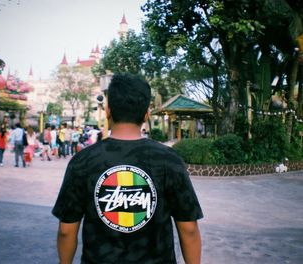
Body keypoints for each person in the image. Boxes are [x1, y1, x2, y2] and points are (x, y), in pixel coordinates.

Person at [52, 74, 203, 264]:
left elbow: (66, 230)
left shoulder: (83, 161)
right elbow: (189, 229)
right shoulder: (169, 160)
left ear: (108, 111)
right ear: (146, 114)